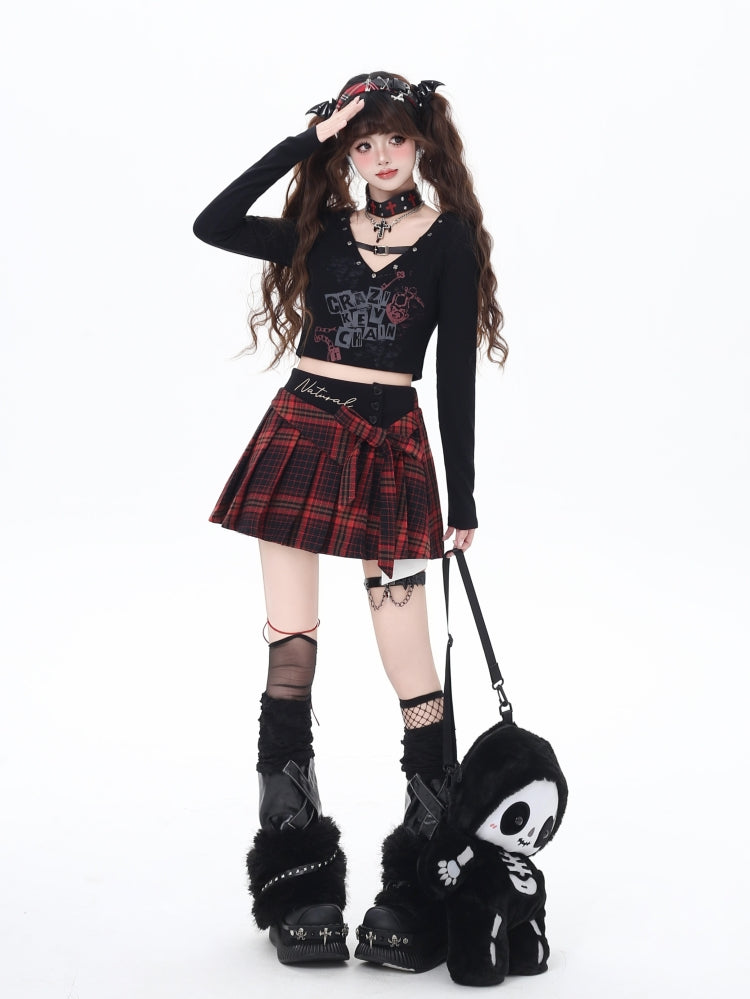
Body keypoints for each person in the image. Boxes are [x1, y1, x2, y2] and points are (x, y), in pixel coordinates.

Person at [193, 71, 506, 971]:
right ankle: (297, 875)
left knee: (411, 663)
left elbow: (455, 376)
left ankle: (424, 874)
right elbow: (213, 222)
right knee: (291, 645)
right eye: (361, 144)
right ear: (346, 153)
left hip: (393, 447)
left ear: (422, 144)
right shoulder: (321, 228)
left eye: (393, 139)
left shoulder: (449, 237)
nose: (378, 156)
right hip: (301, 433)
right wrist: (308, 141)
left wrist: (463, 497)